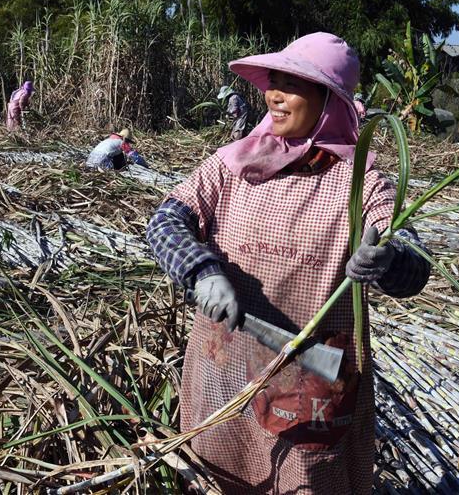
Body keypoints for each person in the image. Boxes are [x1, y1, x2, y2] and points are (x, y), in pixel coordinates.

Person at [146, 32, 431, 494]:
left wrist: (387, 260)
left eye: (291, 85)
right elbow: (165, 221)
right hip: (225, 371)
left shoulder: (359, 181)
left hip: (308, 384)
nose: (273, 96)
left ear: (330, 100)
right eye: (272, 82)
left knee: (303, 479)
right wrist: (202, 270)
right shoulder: (235, 163)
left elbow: (414, 265)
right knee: (219, 473)